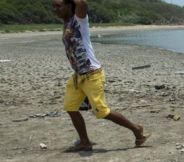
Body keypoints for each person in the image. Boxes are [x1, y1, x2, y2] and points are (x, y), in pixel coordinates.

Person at [53, 0, 149, 152]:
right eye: (54, 6)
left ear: (70, 6)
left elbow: (82, 3)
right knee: (70, 107)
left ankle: (137, 129)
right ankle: (85, 142)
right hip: (78, 76)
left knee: (102, 112)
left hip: (92, 74)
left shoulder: (79, 21)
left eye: (58, 6)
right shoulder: (66, 23)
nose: (55, 9)